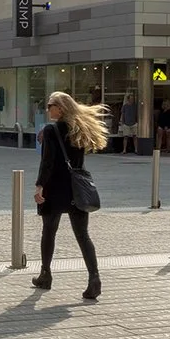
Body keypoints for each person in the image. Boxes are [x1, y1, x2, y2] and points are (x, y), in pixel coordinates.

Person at [33, 91, 104, 299]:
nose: (47, 109)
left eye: (50, 105)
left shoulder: (51, 130)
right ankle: (94, 278)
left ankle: (46, 275)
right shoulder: (79, 128)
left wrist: (39, 186)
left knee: (49, 231)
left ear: (60, 108)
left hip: (54, 187)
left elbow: (47, 163)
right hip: (76, 188)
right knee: (83, 235)